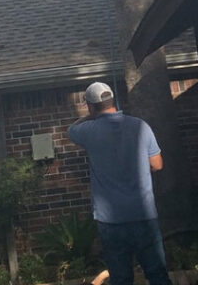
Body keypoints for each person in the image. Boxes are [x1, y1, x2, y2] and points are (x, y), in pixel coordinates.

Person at [68, 82, 172, 285]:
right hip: (143, 216)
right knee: (158, 275)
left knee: (121, 279)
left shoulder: (88, 131)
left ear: (90, 106)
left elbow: (71, 129)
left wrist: (91, 116)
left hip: (111, 221)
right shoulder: (140, 126)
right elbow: (157, 165)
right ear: (113, 100)